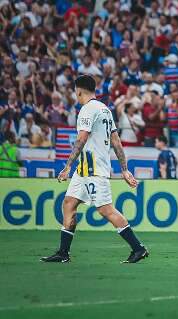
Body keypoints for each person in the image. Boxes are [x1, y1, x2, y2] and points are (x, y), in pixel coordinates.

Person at [41, 75, 148, 263]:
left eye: (75, 90)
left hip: (93, 169)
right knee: (69, 203)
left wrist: (66, 166)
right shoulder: (105, 109)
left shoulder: (87, 110)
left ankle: (138, 248)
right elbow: (116, 141)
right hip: (83, 170)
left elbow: (81, 139)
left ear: (79, 90)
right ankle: (63, 253)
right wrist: (124, 169)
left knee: (106, 210)